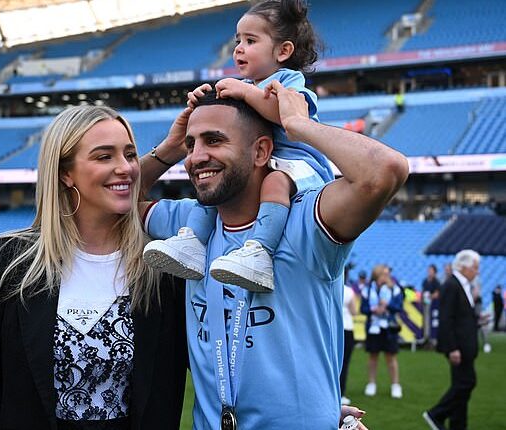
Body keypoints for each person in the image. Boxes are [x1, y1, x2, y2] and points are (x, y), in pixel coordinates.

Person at [141, 82, 408, 428]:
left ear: (261, 152)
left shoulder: (305, 223)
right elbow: (115, 200)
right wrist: (169, 150)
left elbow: (385, 170)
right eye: (192, 144)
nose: (196, 156)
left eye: (215, 140)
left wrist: (299, 125)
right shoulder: (190, 228)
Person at [0, 105, 188, 430]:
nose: (125, 168)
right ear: (65, 172)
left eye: (130, 155)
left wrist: (169, 152)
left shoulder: (160, 265)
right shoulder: (5, 261)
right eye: (104, 156)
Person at [144, 0, 333, 293]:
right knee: (214, 194)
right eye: (237, 41)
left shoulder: (288, 80)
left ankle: (259, 251)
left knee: (274, 184)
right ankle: (192, 242)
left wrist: (244, 92)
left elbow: (286, 115)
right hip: (268, 161)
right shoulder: (247, 84)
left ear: (283, 51)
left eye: (250, 40)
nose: (239, 48)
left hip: (298, 164)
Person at [424, 250, 481, 430]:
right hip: (459, 347)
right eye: (475, 267)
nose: (477, 271)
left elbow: (460, 316)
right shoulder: (451, 285)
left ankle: (458, 426)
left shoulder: (462, 285)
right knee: (467, 383)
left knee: (461, 388)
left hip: (466, 345)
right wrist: (452, 348)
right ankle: (436, 414)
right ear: (463, 266)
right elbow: (446, 318)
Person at [360, 264, 404, 399]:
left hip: (389, 328)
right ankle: (371, 383)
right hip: (373, 327)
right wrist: (373, 310)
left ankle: (395, 385)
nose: (386, 276)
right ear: (377, 275)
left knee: (391, 357)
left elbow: (398, 307)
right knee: (373, 356)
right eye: (384, 274)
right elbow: (363, 308)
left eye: (387, 274)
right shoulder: (367, 289)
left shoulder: (394, 289)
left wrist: (387, 307)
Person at [341, 266, 358, 406]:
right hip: (346, 329)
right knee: (344, 363)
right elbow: (354, 312)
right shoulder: (349, 291)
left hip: (332, 329)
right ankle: (340, 394)